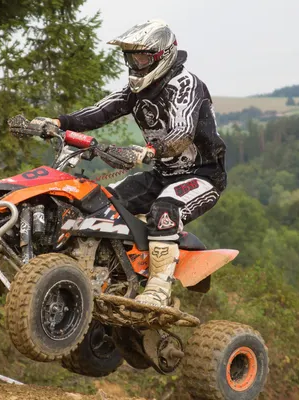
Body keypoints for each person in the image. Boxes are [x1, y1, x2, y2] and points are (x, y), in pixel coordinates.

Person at [25, 20, 226, 307]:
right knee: (101, 202)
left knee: (164, 210)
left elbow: (182, 132)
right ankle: (104, 275)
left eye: (142, 57)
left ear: (162, 56)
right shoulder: (136, 91)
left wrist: (149, 150)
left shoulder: (186, 85)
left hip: (203, 175)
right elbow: (101, 111)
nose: (136, 63)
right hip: (161, 173)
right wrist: (59, 122)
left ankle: (157, 290)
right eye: (131, 57)